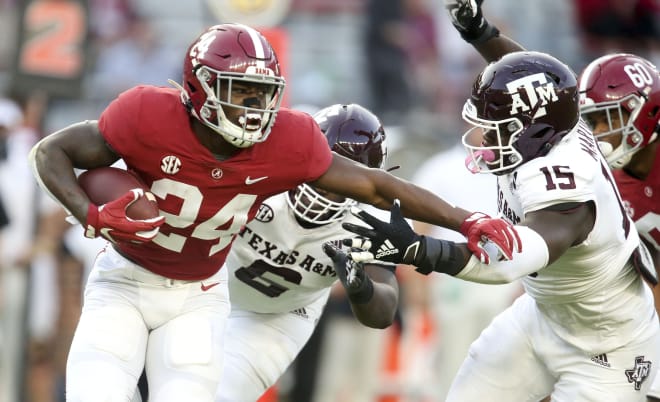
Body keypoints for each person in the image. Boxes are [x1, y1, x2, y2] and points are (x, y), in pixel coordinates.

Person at [28, 23, 519, 402]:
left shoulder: (295, 151)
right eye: (241, 92)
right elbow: (54, 152)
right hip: (153, 280)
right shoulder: (152, 117)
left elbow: (376, 191)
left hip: (230, 303)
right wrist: (91, 215)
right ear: (199, 88)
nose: (253, 109)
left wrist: (459, 222)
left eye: (262, 95)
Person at [337, 19, 660, 401]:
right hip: (541, 316)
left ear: (533, 129)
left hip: (608, 346)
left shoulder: (569, 179)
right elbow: (545, 82)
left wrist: (420, 251)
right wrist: (481, 35)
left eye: (499, 126)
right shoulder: (561, 125)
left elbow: (515, 256)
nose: (487, 137)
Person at [445, 1, 660, 399]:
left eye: (605, 119)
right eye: (591, 118)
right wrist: (480, 32)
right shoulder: (581, 159)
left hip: (622, 327)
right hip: (576, 308)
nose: (595, 132)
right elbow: (541, 88)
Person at [216, 102, 399, 402]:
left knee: (221, 394)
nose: (328, 186)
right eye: (327, 168)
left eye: (345, 177)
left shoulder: (369, 224)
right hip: (209, 289)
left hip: (282, 315)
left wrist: (361, 287)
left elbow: (384, 311)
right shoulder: (262, 175)